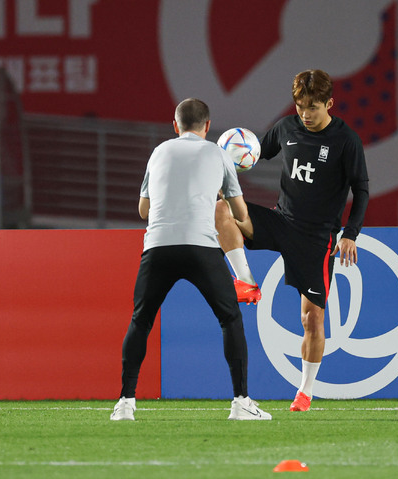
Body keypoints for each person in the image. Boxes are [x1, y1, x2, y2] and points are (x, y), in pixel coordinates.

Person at [216, 69, 369, 412]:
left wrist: (351, 233)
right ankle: (246, 281)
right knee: (220, 209)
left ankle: (305, 392)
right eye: (300, 106)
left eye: (312, 107)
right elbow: (253, 154)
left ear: (329, 103)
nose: (305, 113)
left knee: (311, 319)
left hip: (317, 239)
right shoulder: (286, 128)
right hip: (281, 221)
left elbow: (361, 190)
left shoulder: (346, 140)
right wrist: (225, 161)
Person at [111, 98, 271, 421]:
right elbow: (240, 213)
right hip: (201, 247)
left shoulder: (159, 152)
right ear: (208, 127)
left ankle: (125, 403)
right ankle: (241, 402)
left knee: (140, 321)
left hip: (158, 247)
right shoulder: (219, 154)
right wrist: (219, 195)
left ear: (175, 126)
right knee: (230, 319)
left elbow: (143, 211)